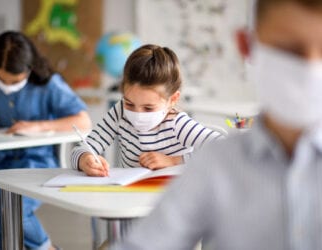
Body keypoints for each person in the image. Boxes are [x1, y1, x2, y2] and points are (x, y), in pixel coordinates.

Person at [111, 0, 322, 249]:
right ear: (247, 46)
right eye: (289, 50)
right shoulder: (214, 166)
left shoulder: (195, 141)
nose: (310, 68)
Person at [0, 31, 91, 250]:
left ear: (29, 69)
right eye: (1, 79)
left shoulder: (49, 84)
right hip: (1, 163)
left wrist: (39, 126)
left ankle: (47, 248)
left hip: (38, 162)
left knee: (16, 211)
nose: (7, 85)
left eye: (15, 81)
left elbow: (83, 121)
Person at [71, 44, 223, 176]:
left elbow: (223, 148)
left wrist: (174, 160)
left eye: (148, 108)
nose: (137, 114)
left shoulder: (177, 124)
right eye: (129, 104)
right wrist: (85, 159)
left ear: (172, 100)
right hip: (130, 199)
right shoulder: (119, 112)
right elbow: (85, 146)